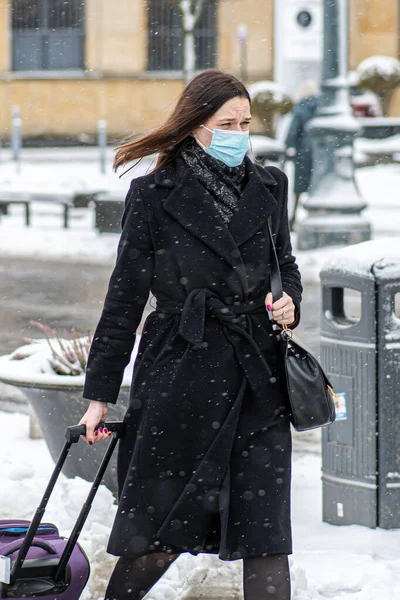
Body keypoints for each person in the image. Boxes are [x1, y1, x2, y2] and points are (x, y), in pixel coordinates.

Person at [79, 69, 302, 600]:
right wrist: (99, 396)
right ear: (195, 125)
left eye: (246, 122)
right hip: (181, 375)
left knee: (265, 533)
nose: (239, 133)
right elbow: (124, 301)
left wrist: (290, 302)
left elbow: (285, 265)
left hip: (257, 379)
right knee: (160, 530)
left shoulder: (270, 186)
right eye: (226, 122)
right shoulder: (153, 195)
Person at [284, 80, 320, 231]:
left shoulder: (300, 108)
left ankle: (293, 218)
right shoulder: (322, 106)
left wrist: (288, 144)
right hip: (320, 151)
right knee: (317, 184)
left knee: (299, 187)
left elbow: (293, 131)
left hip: (303, 152)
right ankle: (316, 216)